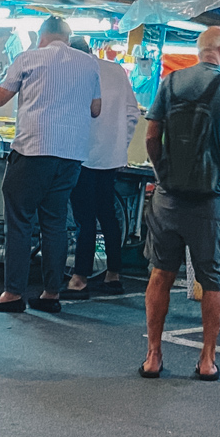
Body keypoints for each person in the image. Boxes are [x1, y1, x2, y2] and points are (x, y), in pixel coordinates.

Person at [140, 26, 220, 381]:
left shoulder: (171, 82)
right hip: (210, 202)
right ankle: (207, 359)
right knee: (212, 279)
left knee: (161, 273)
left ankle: (153, 356)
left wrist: (163, 172)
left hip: (168, 199)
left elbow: (151, 135)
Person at [0, 17, 101, 314]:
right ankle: (50, 294)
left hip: (34, 149)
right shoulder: (89, 64)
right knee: (55, 223)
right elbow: (95, 110)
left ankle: (12, 294)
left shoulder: (29, 58)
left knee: (20, 221)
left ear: (42, 36)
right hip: (71, 155)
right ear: (68, 37)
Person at [62, 37, 140, 299]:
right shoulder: (116, 70)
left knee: (85, 217)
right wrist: (119, 143)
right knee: (107, 214)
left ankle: (80, 277)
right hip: (110, 157)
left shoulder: (77, 73)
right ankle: (113, 275)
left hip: (81, 155)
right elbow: (133, 113)